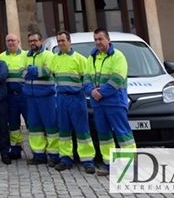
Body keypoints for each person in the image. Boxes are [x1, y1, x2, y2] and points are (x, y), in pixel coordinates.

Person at [84, 29, 136, 176]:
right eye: (95, 39)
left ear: (108, 39)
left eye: (100, 39)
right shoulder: (92, 58)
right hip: (98, 104)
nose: (98, 42)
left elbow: (117, 79)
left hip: (115, 102)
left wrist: (100, 93)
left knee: (123, 134)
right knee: (104, 135)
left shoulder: (118, 56)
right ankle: (109, 165)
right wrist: (91, 91)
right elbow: (86, 78)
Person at [51, 31, 96, 174]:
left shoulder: (80, 59)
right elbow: (52, 76)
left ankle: (87, 160)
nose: (60, 44)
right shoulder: (54, 59)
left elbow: (87, 79)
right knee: (64, 130)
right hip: (61, 98)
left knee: (82, 130)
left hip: (76, 98)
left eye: (63, 40)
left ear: (69, 41)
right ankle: (65, 158)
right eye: (58, 41)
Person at [23, 31, 59, 166]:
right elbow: (22, 72)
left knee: (51, 127)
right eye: (30, 41)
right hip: (31, 97)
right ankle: (38, 155)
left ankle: (54, 156)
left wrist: (31, 70)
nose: (33, 43)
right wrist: (36, 71)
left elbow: (47, 72)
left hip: (46, 96)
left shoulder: (49, 55)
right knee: (34, 128)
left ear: (41, 41)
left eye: (35, 41)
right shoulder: (26, 55)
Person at [0, 33, 28, 159]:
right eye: (8, 40)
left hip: (25, 96)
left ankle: (38, 151)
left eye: (13, 40)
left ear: (18, 41)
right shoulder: (1, 57)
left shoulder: (26, 55)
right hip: (10, 97)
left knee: (31, 123)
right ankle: (16, 149)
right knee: (13, 124)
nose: (11, 43)